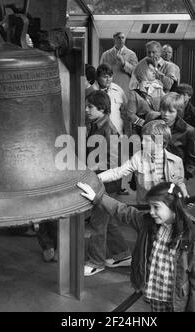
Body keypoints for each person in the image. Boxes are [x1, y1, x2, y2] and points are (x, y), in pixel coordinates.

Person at [78, 181, 195, 312]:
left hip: (177, 301)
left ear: (173, 206)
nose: (151, 212)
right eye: (150, 207)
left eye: (156, 207)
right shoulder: (148, 223)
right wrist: (98, 198)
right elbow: (124, 211)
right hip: (155, 295)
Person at [84, 90, 131, 276]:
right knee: (107, 220)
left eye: (90, 107)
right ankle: (122, 254)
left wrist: (90, 168)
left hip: (104, 183)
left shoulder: (107, 130)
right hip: (101, 180)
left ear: (102, 109)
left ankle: (96, 262)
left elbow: (113, 162)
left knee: (98, 222)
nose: (86, 110)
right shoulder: (97, 125)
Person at [98, 120, 189, 204]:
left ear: (160, 142)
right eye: (143, 139)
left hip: (167, 207)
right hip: (145, 207)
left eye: (147, 140)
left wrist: (185, 195)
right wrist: (97, 177)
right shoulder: (138, 157)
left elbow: (179, 183)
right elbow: (117, 172)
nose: (142, 143)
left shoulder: (176, 161)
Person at [147, 93, 195, 180]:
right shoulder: (151, 126)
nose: (166, 114)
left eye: (171, 111)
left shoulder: (188, 131)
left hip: (175, 175)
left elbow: (191, 158)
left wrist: (185, 175)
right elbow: (144, 151)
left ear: (178, 112)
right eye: (163, 110)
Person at [86, 63, 128, 136]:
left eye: (110, 76)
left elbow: (125, 113)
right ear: (98, 77)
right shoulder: (90, 92)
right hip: (97, 135)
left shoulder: (118, 90)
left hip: (118, 134)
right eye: (105, 77)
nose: (108, 79)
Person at [126, 57, 164, 136]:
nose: (154, 72)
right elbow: (130, 115)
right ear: (142, 71)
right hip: (143, 130)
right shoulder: (134, 92)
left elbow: (164, 106)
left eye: (154, 69)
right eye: (150, 70)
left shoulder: (158, 87)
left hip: (158, 128)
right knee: (145, 148)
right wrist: (145, 124)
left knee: (157, 148)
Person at [100, 32, 138, 97]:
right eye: (119, 38)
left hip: (125, 89)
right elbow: (100, 73)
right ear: (114, 39)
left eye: (123, 38)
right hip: (110, 89)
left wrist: (124, 63)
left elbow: (136, 72)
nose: (121, 40)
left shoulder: (132, 54)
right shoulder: (106, 54)